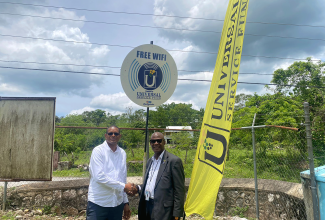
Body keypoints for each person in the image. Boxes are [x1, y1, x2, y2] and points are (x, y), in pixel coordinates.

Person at [86, 125, 136, 220]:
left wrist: (125, 202)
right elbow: (99, 177)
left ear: (119, 136)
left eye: (116, 133)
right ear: (106, 135)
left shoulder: (122, 153)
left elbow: (122, 178)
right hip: (99, 203)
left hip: (116, 204)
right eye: (110, 133)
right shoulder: (98, 151)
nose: (113, 135)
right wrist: (124, 186)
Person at [134, 132, 185, 220]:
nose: (156, 143)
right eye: (153, 141)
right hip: (147, 206)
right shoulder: (150, 161)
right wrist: (137, 187)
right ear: (150, 143)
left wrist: (177, 213)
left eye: (159, 141)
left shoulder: (174, 161)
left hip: (164, 210)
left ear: (164, 142)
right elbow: (150, 184)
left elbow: (179, 190)